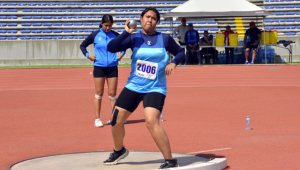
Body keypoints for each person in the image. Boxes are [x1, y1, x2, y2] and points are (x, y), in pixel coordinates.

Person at [105, 7, 184, 169]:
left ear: (157, 22)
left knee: (151, 121)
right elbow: (111, 48)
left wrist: (174, 62)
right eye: (147, 17)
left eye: (154, 18)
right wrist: (125, 33)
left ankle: (170, 160)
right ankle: (119, 151)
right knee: (115, 121)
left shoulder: (165, 38)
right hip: (134, 86)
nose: (150, 20)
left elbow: (181, 52)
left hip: (155, 88)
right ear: (141, 19)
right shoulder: (134, 38)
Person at [80, 14, 125, 128]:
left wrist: (122, 54)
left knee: (112, 94)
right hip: (99, 67)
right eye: (106, 25)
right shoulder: (95, 35)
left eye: (110, 25)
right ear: (101, 24)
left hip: (113, 67)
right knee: (99, 93)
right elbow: (83, 45)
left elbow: (125, 44)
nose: (108, 28)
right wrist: (88, 55)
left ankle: (114, 118)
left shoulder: (115, 35)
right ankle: (97, 119)